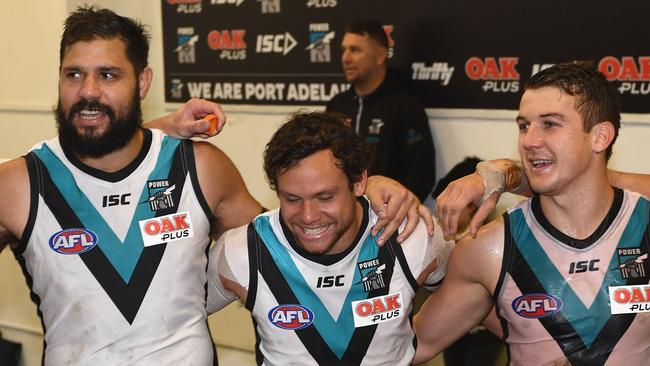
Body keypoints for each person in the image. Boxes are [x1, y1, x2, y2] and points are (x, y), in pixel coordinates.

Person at [0, 7, 431, 365]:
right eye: (74, 75)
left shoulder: (201, 169)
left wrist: (364, 191)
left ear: (143, 81)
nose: (89, 91)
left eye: (109, 75)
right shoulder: (16, 184)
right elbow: (87, 157)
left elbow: (292, 244)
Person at [414, 62, 650, 365]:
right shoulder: (487, 248)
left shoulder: (641, 224)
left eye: (550, 124)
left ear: (600, 137)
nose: (528, 141)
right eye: (524, 125)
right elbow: (407, 347)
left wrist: (508, 173)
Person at [205, 111, 454, 365]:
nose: (309, 216)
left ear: (359, 182)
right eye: (292, 199)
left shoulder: (413, 236)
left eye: (325, 197)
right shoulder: (243, 250)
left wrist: (414, 345)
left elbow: (477, 289)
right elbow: (171, 314)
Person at [326, 21, 436, 201]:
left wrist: (390, 212)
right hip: (340, 216)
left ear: (380, 55)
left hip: (385, 219)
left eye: (355, 50)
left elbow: (421, 175)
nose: (345, 58)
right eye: (344, 50)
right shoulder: (336, 106)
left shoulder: (405, 107)